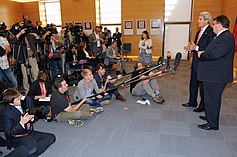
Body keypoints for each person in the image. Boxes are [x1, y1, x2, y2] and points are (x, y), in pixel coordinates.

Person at [197, 15, 235, 130]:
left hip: (216, 76)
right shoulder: (221, 36)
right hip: (213, 74)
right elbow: (214, 51)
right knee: (210, 98)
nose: (213, 26)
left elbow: (214, 54)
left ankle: (212, 124)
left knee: (212, 99)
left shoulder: (226, 38)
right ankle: (210, 117)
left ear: (219, 25)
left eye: (214, 24)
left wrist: (202, 55)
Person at [2, 88, 56, 156]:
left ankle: (29, 151)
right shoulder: (6, 113)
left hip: (28, 131)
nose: (21, 99)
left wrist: (32, 118)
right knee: (33, 148)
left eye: (20, 97)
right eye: (18, 99)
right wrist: (21, 123)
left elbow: (33, 113)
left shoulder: (25, 102)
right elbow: (9, 133)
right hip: (17, 137)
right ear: (11, 103)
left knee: (51, 137)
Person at [182, 11, 215, 112]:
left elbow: (209, 49)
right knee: (193, 84)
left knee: (203, 87)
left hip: (204, 64)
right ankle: (192, 102)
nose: (198, 21)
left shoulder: (211, 32)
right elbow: (197, 47)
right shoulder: (198, 32)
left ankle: (202, 106)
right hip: (196, 62)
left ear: (207, 21)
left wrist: (195, 47)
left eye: (200, 19)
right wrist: (191, 48)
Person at [0, 24, 18, 89]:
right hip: (1, 66)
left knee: (14, 83)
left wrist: (4, 52)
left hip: (5, 65)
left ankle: (10, 96)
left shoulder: (3, 38)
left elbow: (9, 50)